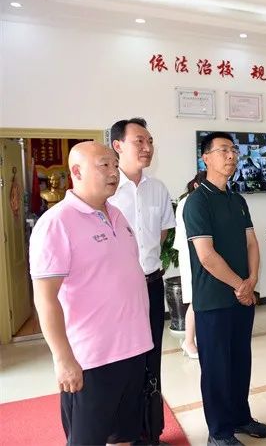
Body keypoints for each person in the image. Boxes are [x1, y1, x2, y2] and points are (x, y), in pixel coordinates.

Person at [30, 142, 153, 445]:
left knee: (124, 435)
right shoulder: (56, 223)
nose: (114, 173)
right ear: (76, 171)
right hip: (92, 359)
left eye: (115, 165)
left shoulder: (118, 215)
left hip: (134, 349)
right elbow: (45, 298)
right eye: (104, 165)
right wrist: (63, 358)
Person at [184, 132, 266, 446]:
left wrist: (252, 280)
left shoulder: (237, 199)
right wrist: (240, 286)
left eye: (234, 150)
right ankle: (219, 432)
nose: (231, 155)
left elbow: (252, 243)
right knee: (217, 368)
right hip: (213, 300)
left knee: (240, 362)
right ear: (205, 157)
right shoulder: (197, 201)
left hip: (241, 297)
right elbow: (206, 256)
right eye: (223, 150)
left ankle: (240, 417)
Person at [109, 117, 176, 445]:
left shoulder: (158, 189)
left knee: (152, 358)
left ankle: (150, 430)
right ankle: (123, 433)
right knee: (122, 362)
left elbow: (160, 235)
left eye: (150, 141)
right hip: (116, 292)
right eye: (139, 141)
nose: (147, 147)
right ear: (118, 145)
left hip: (150, 284)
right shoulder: (107, 191)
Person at [174, 170, 208, 359]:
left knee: (199, 298)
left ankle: (193, 340)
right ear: (196, 185)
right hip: (191, 255)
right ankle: (188, 342)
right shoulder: (189, 202)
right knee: (196, 298)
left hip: (197, 254)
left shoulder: (195, 200)